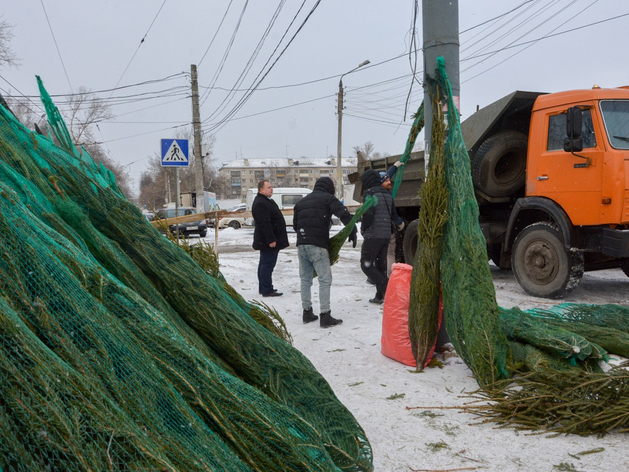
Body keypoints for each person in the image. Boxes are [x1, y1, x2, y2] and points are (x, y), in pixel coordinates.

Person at [293, 177, 357, 328]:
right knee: (324, 279)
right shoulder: (328, 198)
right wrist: (352, 230)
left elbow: (296, 225)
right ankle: (325, 315)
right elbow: (344, 214)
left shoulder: (301, 202)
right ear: (329, 188)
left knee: (305, 279)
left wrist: (306, 234)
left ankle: (307, 312)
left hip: (301, 244)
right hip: (318, 245)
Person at [359, 168, 402, 304]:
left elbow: (368, 214)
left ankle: (386, 285)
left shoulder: (370, 193)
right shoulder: (388, 195)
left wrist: (363, 228)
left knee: (366, 264)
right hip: (385, 236)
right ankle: (379, 296)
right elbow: (394, 216)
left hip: (373, 235)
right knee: (381, 265)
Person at [252, 180, 289, 297]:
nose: (271, 189)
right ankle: (267, 289)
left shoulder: (266, 201)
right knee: (267, 264)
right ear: (261, 190)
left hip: (268, 239)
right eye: (269, 187)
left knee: (264, 263)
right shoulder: (260, 203)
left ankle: (264, 288)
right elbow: (265, 223)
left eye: (272, 187)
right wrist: (271, 239)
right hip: (267, 240)